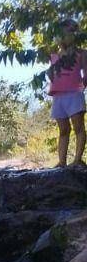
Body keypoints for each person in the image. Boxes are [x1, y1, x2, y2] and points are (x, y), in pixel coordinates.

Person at [49, 19, 86, 168]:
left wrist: (81, 86)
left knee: (78, 128)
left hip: (74, 94)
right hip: (58, 97)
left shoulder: (81, 53)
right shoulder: (54, 56)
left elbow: (86, 73)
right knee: (63, 130)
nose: (63, 37)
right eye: (61, 34)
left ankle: (77, 160)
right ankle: (61, 162)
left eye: (68, 32)